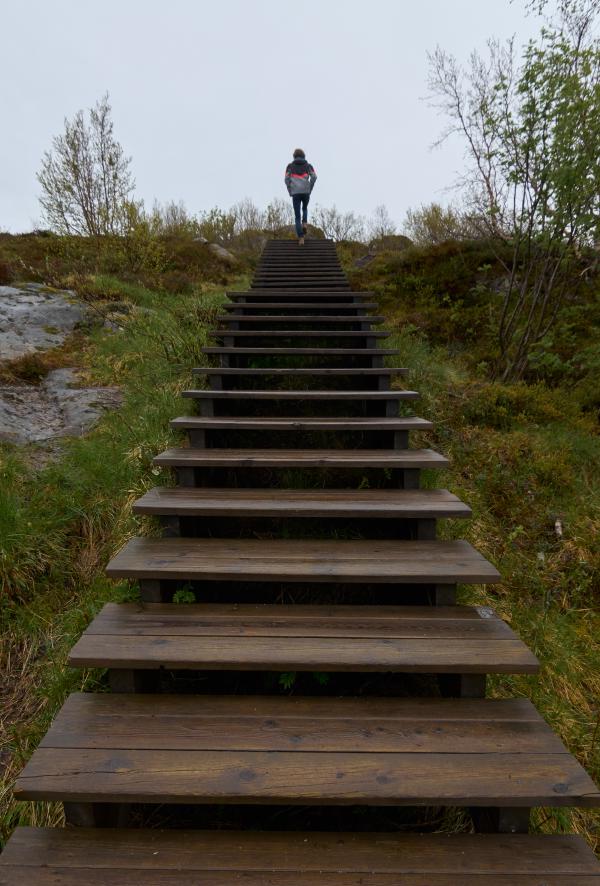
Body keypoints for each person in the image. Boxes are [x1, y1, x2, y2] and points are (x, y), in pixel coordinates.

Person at [285, 149, 317, 245]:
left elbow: (286, 179)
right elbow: (314, 177)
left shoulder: (290, 166)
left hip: (295, 193)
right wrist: (309, 188)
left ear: (294, 156)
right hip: (305, 191)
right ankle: (305, 224)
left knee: (297, 216)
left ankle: (301, 237)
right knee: (305, 208)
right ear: (304, 156)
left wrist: (290, 190)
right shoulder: (308, 166)